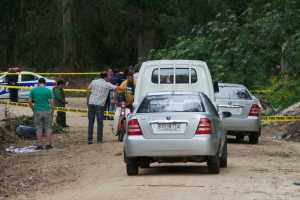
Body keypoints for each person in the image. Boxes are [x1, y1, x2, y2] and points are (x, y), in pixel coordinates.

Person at [87, 69, 120, 144]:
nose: (110, 77)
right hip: (100, 105)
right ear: (106, 77)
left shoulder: (94, 81)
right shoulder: (107, 84)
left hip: (91, 103)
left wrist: (88, 101)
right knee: (100, 122)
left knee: (91, 122)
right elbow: (116, 88)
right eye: (109, 76)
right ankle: (99, 140)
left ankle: (90, 140)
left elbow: (88, 90)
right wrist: (118, 86)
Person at [29, 78, 54, 150]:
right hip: (47, 110)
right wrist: (52, 110)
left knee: (39, 128)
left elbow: (29, 101)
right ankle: (49, 144)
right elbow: (51, 102)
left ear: (38, 83)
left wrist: (33, 108)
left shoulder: (33, 90)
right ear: (45, 83)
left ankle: (39, 145)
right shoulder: (48, 90)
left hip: (37, 111)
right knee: (48, 128)